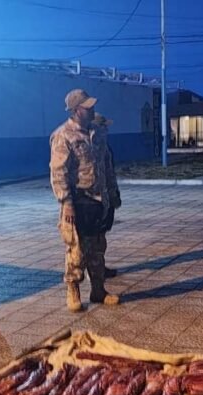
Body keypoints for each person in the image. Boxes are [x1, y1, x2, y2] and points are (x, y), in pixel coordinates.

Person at [50, 89, 120, 312]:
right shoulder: (63, 136)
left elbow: (107, 166)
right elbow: (58, 173)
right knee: (77, 251)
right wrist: (66, 203)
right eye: (87, 107)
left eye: (91, 106)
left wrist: (113, 194)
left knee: (98, 249)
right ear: (76, 110)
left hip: (99, 201)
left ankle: (98, 291)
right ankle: (73, 291)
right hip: (78, 202)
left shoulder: (98, 133)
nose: (91, 109)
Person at [91, 113, 122, 278]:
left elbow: (110, 172)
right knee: (92, 239)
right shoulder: (89, 146)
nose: (106, 130)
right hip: (93, 200)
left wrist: (114, 193)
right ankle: (92, 271)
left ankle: (100, 267)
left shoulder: (105, 146)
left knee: (101, 236)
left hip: (106, 197)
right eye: (103, 126)